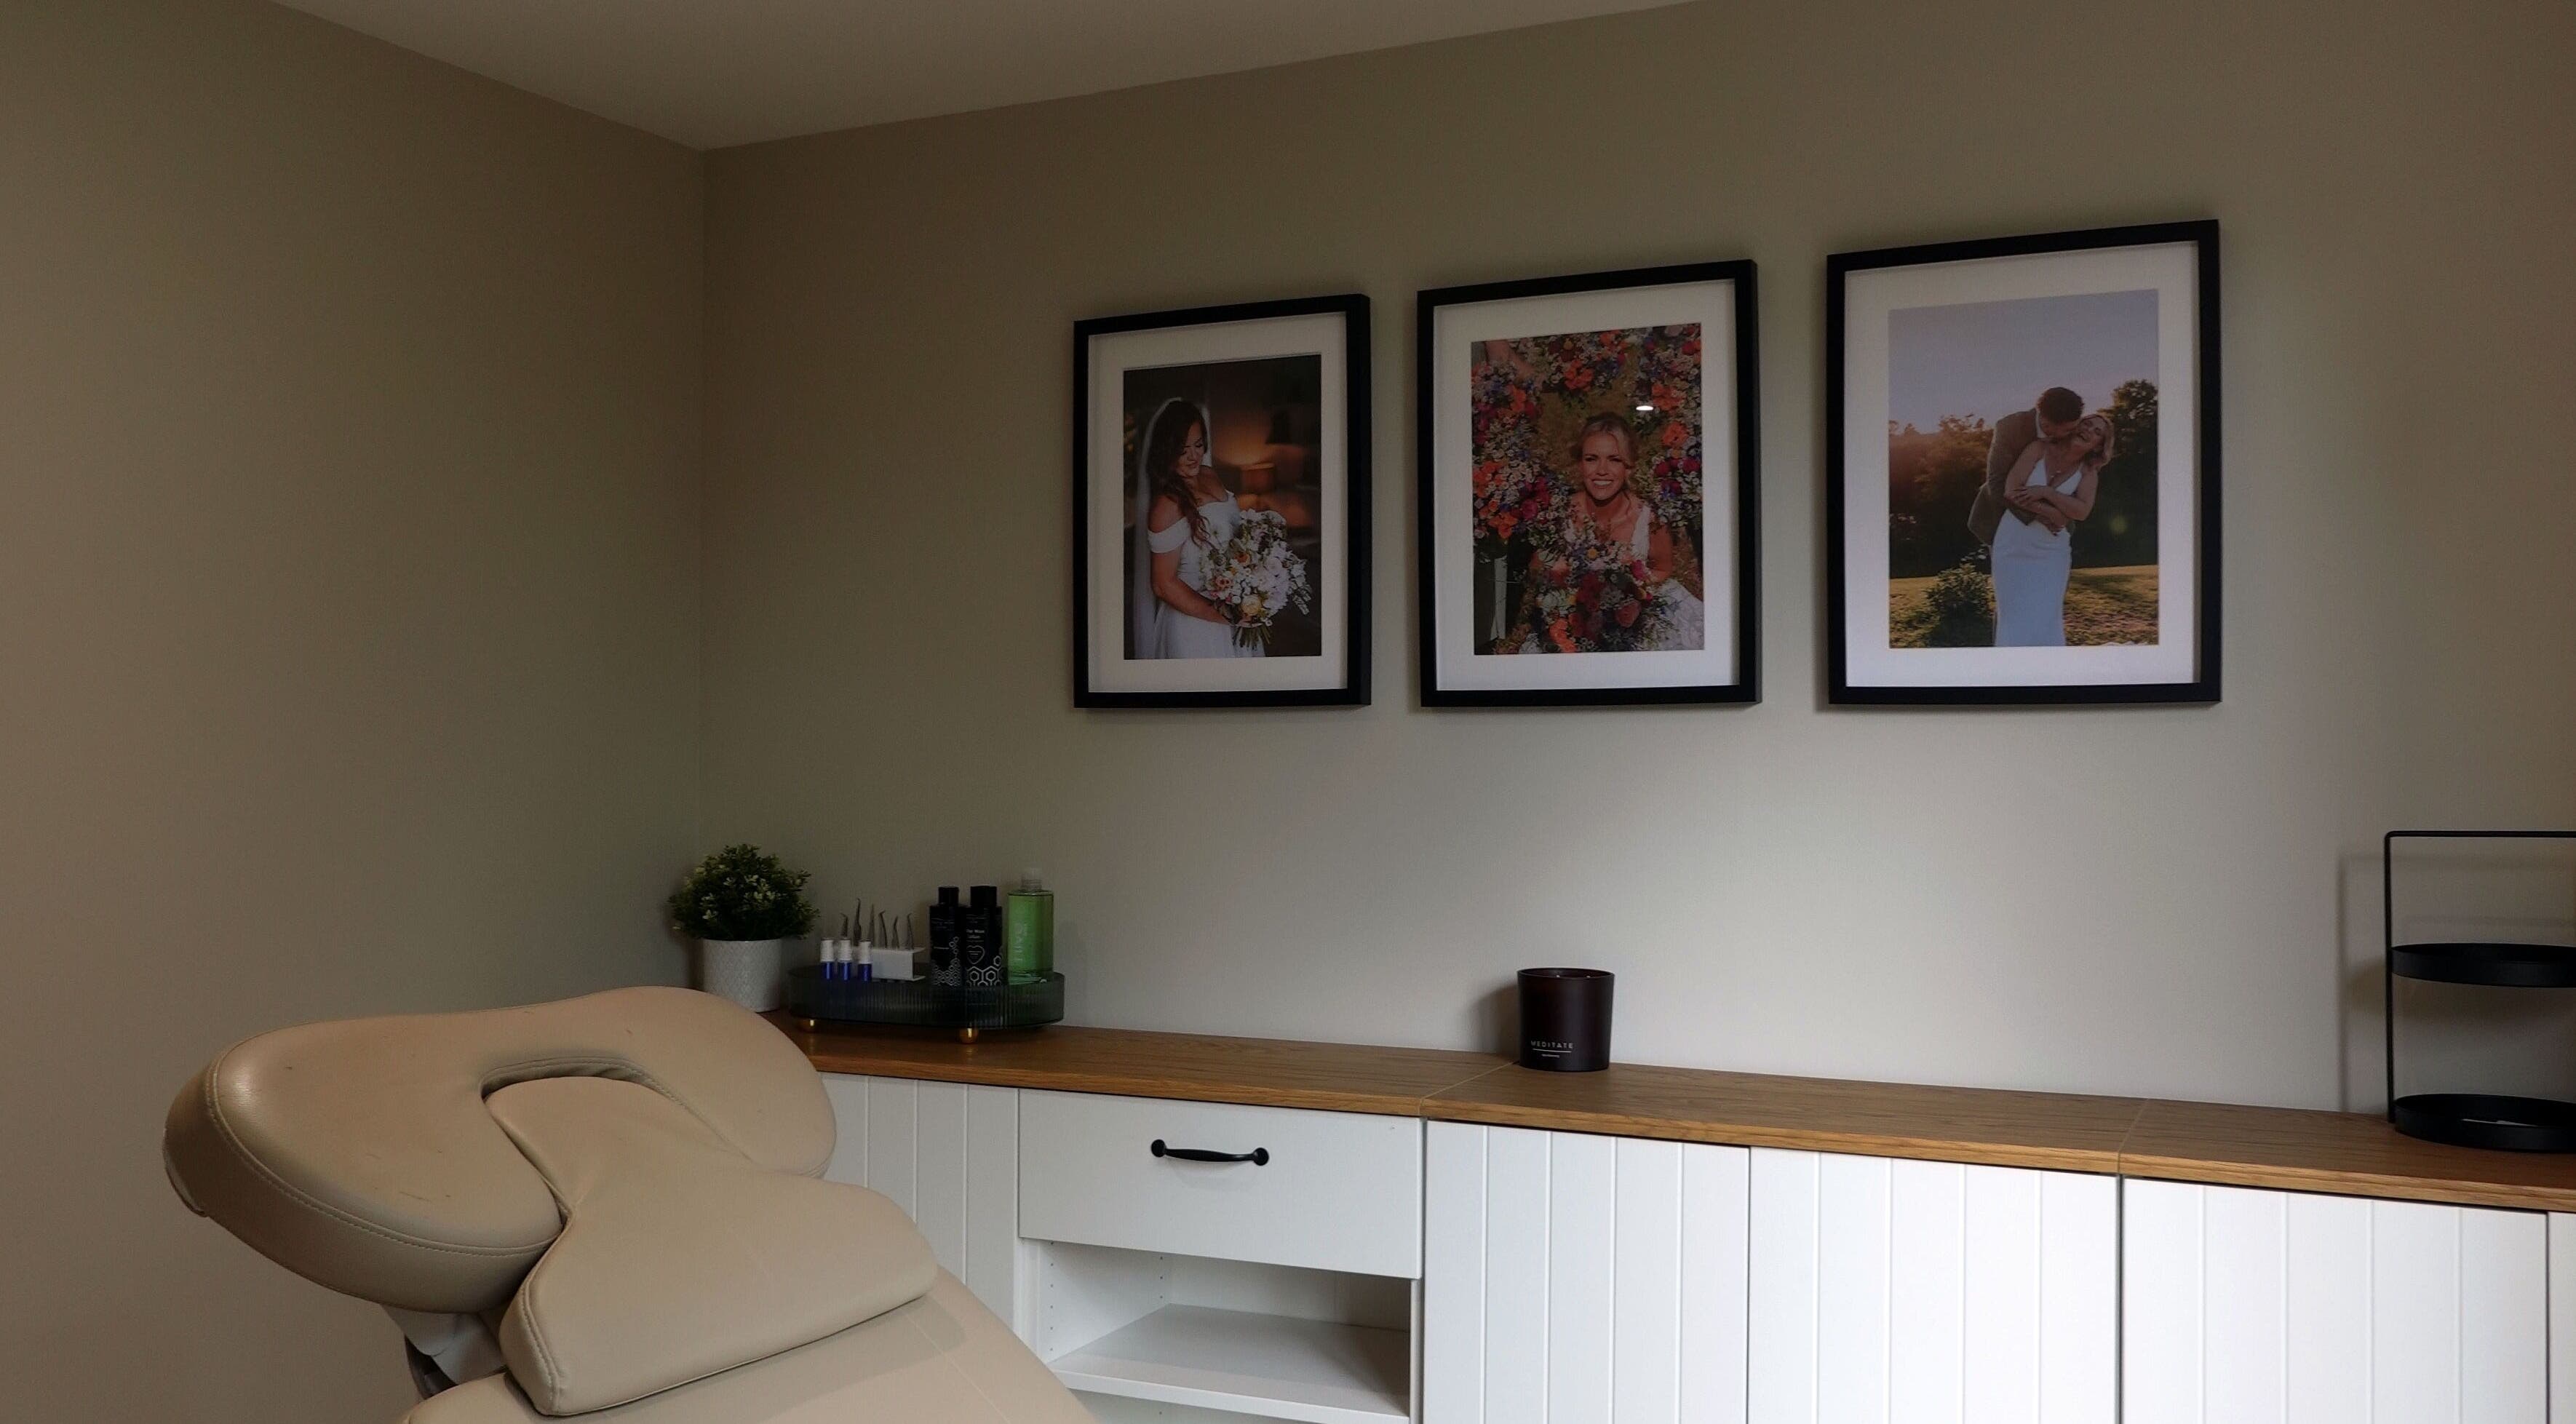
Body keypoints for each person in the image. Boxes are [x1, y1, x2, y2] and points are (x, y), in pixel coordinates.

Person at [1524, 411, 1704, 651]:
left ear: (1629, 467)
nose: (1602, 470)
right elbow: (1537, 568)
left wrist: (1636, 590)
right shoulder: (1561, 513)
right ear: (1580, 463)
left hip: (1635, 615)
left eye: (1614, 460)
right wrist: (1559, 577)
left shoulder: (1648, 517)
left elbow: (1662, 568)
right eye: (1591, 459)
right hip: (1576, 615)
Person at [1131, 397, 1262, 660]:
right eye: (1183, 449)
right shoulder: (1166, 505)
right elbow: (1163, 584)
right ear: (1166, 449)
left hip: (1235, 610)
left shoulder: (1210, 474)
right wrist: (1225, 615)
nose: (1194, 456)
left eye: (1199, 445)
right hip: (1194, 627)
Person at [1989, 411, 2113, 646]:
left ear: (2099, 446)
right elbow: (2011, 490)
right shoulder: (2039, 448)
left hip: (2051, 551)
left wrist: (2046, 493)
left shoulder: (2088, 472)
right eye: (2087, 424)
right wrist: (2052, 513)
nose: (2089, 431)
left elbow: (2082, 512)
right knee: (2012, 614)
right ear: (2075, 425)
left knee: (2046, 615)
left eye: (2098, 432)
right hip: (2013, 541)